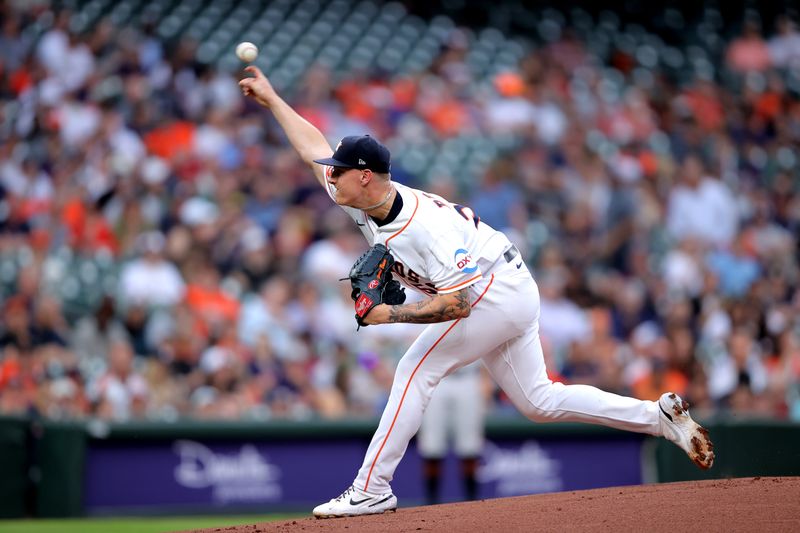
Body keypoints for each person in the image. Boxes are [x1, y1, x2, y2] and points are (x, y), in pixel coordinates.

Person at [238, 66, 715, 519]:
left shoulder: (425, 228)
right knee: (538, 401)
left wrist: (388, 315)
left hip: (494, 291)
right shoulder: (360, 197)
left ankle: (370, 489)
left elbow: (460, 304)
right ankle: (658, 418)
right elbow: (311, 148)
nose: (330, 175)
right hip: (506, 285)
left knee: (414, 368)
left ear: (364, 175)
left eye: (338, 171)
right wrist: (274, 100)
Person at [417, 362, 486, 505]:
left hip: (468, 376)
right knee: (432, 447)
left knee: (470, 447)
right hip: (437, 376)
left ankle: (472, 502)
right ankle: (431, 503)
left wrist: (486, 378)